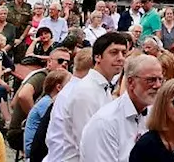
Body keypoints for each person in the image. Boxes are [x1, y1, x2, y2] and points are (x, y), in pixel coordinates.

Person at [45, 31, 130, 162]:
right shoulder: (86, 91)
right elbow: (89, 145)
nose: (120, 58)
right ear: (97, 57)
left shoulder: (101, 87)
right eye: (114, 52)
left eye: (124, 53)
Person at [81, 54, 164, 162]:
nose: (157, 85)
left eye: (160, 80)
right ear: (130, 82)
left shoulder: (155, 114)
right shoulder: (105, 122)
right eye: (151, 80)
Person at [24, 70, 70, 160]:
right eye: (69, 85)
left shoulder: (47, 99)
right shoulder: (48, 103)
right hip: (34, 152)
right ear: (59, 87)